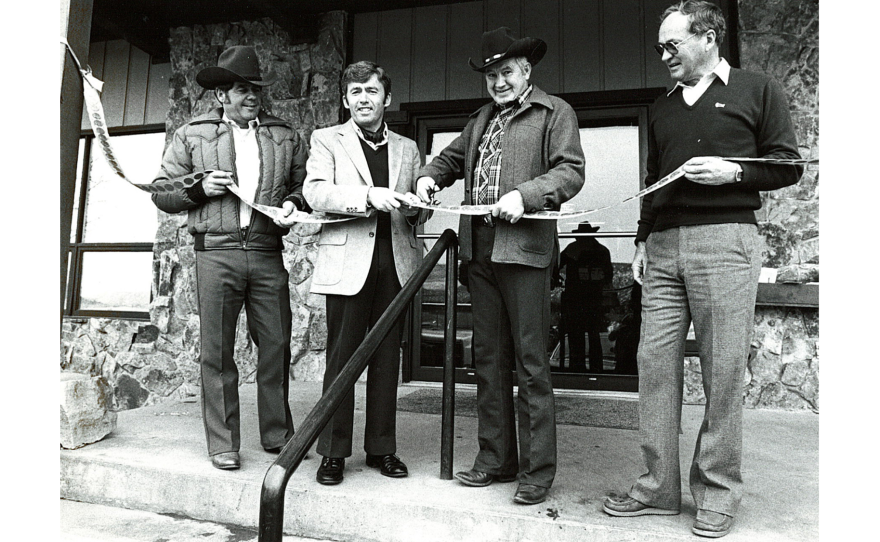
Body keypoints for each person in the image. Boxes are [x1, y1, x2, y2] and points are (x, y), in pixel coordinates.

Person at [601, 2, 802, 538]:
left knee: (722, 369)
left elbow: (788, 164)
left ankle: (716, 490)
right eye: (660, 48)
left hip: (726, 241)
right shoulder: (661, 107)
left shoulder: (758, 89)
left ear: (709, 38)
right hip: (664, 246)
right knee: (654, 365)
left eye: (673, 45)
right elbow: (653, 177)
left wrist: (735, 171)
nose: (663, 55)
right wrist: (643, 239)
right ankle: (658, 488)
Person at [416, 27, 585, 505]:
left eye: (506, 72)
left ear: (526, 70)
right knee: (487, 360)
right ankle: (495, 459)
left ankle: (537, 471)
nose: (498, 82)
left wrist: (525, 195)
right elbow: (448, 160)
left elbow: (570, 171)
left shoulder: (556, 113)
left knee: (531, 364)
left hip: (526, 249)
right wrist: (430, 178)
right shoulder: (480, 119)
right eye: (491, 75)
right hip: (479, 250)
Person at [151, 45, 309, 470]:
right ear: (221, 95)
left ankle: (278, 436)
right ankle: (223, 444)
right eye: (241, 89)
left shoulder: (284, 135)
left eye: (255, 89)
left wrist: (295, 203)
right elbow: (161, 192)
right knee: (217, 353)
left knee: (275, 344)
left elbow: (303, 186)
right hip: (215, 254)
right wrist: (200, 189)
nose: (251, 97)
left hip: (265, 251)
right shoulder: (191, 134)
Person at [304, 61, 428, 485]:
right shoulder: (326, 139)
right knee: (341, 360)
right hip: (348, 265)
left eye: (371, 91)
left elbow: (416, 212)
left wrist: (415, 206)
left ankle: (381, 448)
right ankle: (333, 452)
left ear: (386, 99)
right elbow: (315, 191)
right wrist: (367, 196)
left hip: (395, 264)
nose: (363, 99)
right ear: (345, 100)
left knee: (387, 359)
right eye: (355, 92)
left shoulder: (409, 149)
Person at [558, 222, 613, 373]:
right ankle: (592, 368)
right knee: (588, 335)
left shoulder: (574, 249)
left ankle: (580, 368)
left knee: (582, 336)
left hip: (582, 300)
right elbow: (609, 276)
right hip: (589, 300)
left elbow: (557, 264)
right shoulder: (602, 251)